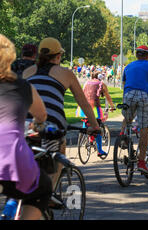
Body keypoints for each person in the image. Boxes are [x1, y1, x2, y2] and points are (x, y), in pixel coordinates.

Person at [23, 38, 101, 186]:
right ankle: (49, 194)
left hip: (25, 123)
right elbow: (83, 102)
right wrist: (95, 126)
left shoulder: (27, 72)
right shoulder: (66, 73)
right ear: (58, 56)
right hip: (51, 124)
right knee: (59, 150)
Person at [0, 34, 52, 220]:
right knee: (42, 190)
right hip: (10, 157)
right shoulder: (22, 86)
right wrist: (38, 124)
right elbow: (41, 115)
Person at [119, 45, 148, 174]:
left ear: (136, 55)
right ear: (147, 55)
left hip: (128, 95)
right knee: (144, 127)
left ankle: (123, 136)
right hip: (144, 95)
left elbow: (124, 85)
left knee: (127, 119)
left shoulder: (128, 66)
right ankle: (141, 162)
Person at [76, 71, 115, 157]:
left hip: (82, 107)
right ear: (101, 77)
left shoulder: (86, 82)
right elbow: (107, 97)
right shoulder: (101, 84)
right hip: (94, 108)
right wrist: (112, 106)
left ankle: (87, 136)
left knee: (86, 121)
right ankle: (100, 151)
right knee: (98, 128)